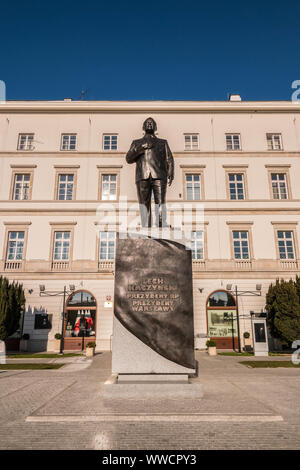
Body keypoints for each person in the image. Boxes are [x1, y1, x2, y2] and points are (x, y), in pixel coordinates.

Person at [126, 117, 174, 227]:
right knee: (143, 204)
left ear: (155, 127)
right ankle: (145, 226)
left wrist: (171, 172)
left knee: (161, 202)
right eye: (147, 123)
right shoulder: (136, 143)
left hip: (159, 175)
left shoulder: (163, 142)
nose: (149, 124)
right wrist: (140, 148)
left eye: (152, 123)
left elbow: (169, 158)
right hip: (142, 175)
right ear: (143, 127)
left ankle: (161, 224)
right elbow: (128, 158)